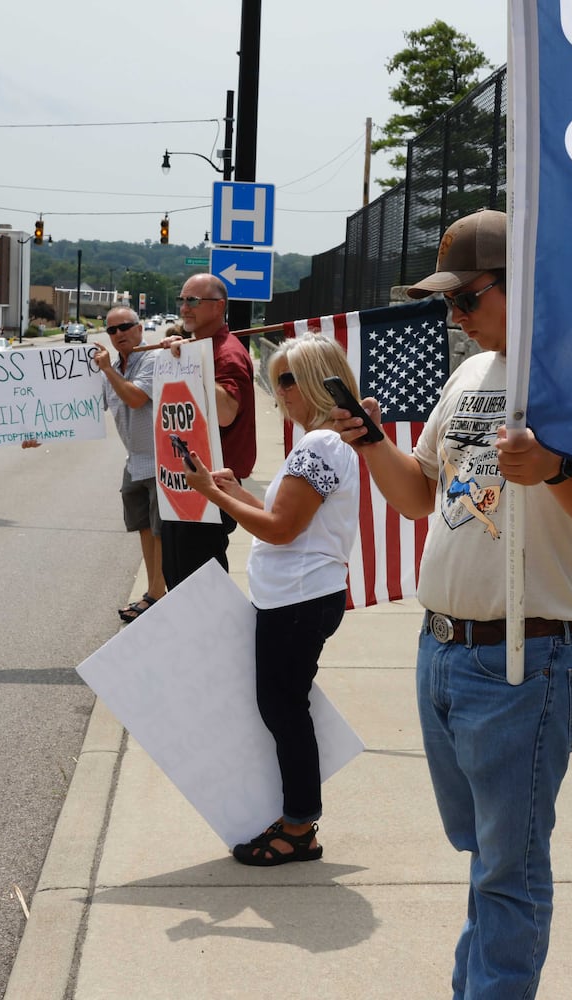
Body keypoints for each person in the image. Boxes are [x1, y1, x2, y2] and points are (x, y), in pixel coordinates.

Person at [333, 209, 572, 998]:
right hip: (446, 651)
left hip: (526, 659)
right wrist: (370, 439)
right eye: (447, 304)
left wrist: (556, 468)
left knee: (509, 869)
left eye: (466, 299)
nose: (455, 318)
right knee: (487, 856)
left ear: (523, 284)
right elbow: (415, 496)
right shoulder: (470, 376)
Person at [182, 334, 360, 866]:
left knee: (283, 710)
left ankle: (299, 826)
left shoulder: (320, 445)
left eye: (288, 379)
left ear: (316, 381)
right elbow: (290, 522)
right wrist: (236, 493)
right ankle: (298, 819)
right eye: (275, 379)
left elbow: (282, 530)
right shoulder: (323, 443)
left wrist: (213, 496)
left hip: (299, 599)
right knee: (283, 707)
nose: (279, 390)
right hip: (300, 595)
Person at [157, 273, 256, 587]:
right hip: (187, 485)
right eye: (182, 300)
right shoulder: (200, 347)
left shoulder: (227, 354)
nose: (185, 308)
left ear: (219, 307)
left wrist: (194, 362)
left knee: (199, 581)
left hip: (212, 489)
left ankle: (209, 637)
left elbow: (226, 414)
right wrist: (187, 354)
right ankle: (189, 636)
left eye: (194, 301)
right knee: (177, 576)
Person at [91, 305, 167, 623]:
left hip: (159, 458)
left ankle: (158, 593)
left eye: (125, 327)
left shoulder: (152, 359)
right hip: (134, 459)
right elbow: (83, 410)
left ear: (140, 328)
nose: (118, 334)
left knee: (160, 529)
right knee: (143, 527)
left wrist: (109, 371)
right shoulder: (112, 365)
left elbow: (136, 398)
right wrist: (38, 434)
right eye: (112, 330)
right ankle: (153, 591)